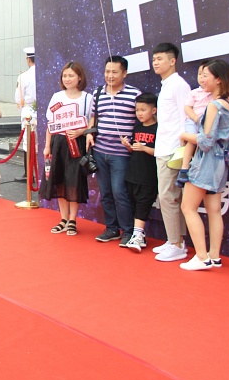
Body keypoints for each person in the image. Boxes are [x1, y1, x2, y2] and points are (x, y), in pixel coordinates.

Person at [179, 59, 229, 271]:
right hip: (221, 164)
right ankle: (214, 256)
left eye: (207, 76)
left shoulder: (214, 105)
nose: (202, 80)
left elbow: (205, 141)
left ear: (218, 79)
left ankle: (201, 257)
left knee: (188, 207)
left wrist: (185, 135)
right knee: (214, 210)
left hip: (206, 162)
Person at [85, 56, 142, 246]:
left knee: (119, 192)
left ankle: (128, 231)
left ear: (124, 73)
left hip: (122, 154)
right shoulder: (98, 93)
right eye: (107, 71)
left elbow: (142, 121)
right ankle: (111, 228)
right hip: (100, 150)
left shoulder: (134, 94)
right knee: (106, 192)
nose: (110, 75)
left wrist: (133, 143)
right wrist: (89, 134)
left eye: (114, 72)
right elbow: (93, 117)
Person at [40, 62, 93, 236]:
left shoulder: (87, 98)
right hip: (59, 142)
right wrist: (47, 146)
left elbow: (91, 122)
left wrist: (80, 132)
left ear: (80, 77)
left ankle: (73, 220)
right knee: (60, 180)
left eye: (71, 75)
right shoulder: (57, 97)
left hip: (77, 143)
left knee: (74, 181)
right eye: (65, 76)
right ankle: (63, 218)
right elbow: (51, 124)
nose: (67, 79)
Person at [151, 42, 191, 263]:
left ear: (172, 61)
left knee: (168, 196)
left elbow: (186, 118)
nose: (156, 63)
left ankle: (176, 243)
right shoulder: (166, 85)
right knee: (169, 196)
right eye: (154, 59)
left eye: (160, 59)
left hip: (173, 149)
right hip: (164, 147)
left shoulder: (178, 85)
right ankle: (175, 240)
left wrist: (183, 149)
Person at [122, 93, 158, 252]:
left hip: (149, 175)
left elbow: (161, 152)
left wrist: (144, 148)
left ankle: (136, 236)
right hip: (133, 173)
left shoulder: (159, 129)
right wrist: (128, 146)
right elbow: (134, 149)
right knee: (134, 203)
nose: (139, 113)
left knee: (143, 204)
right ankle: (140, 235)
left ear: (154, 110)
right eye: (137, 110)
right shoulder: (137, 127)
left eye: (143, 110)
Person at [175, 61, 214, 188]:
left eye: (205, 75)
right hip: (193, 120)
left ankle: (196, 166)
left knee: (201, 142)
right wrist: (196, 118)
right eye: (200, 74)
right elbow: (187, 108)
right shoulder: (194, 92)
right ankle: (185, 168)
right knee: (192, 140)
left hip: (207, 123)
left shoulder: (214, 94)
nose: (202, 78)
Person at [14, 47, 37, 181]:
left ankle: (28, 174)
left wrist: (21, 111)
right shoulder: (44, 73)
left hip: (28, 110)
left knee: (27, 144)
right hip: (43, 111)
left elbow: (19, 98)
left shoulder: (23, 76)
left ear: (28, 60)